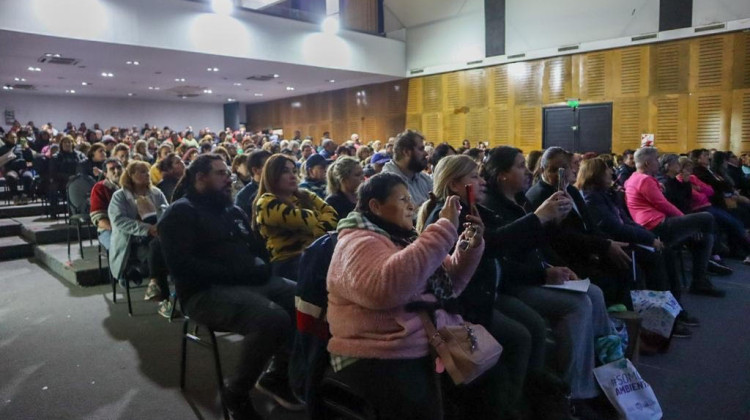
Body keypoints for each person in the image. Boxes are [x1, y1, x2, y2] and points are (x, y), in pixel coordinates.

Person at [326, 173, 485, 420]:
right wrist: (443, 228)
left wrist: (468, 245)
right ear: (375, 206)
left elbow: (450, 284)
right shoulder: (357, 241)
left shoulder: (402, 238)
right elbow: (385, 289)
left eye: (410, 198)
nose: (412, 205)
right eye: (402, 199)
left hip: (427, 339)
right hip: (381, 349)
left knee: (475, 387)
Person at [159, 154, 301, 419]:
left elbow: (259, 248)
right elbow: (182, 268)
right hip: (204, 293)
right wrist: (240, 273)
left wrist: (263, 267)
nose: (229, 178)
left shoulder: (231, 210)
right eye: (221, 173)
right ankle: (236, 393)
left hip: (247, 283)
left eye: (228, 173)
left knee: (305, 299)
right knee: (271, 318)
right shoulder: (181, 212)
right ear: (200, 177)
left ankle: (277, 375)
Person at [481, 147, 616, 419]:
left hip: (535, 275)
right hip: (514, 285)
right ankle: (573, 392)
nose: (528, 172)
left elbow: (539, 246)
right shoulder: (490, 208)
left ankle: (606, 372)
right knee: (578, 305)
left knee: (596, 293)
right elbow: (501, 260)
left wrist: (556, 266)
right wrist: (543, 274)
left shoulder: (519, 200)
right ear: (503, 175)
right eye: (520, 166)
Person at [419, 155, 551, 418]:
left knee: (533, 326)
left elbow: (501, 240)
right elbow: (493, 244)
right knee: (521, 336)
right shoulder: (448, 217)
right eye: (475, 177)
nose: (482, 182)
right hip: (469, 304)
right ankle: (513, 405)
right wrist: (537, 218)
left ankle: (532, 397)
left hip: (489, 292)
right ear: (456, 184)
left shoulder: (472, 209)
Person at [578, 157, 698, 334]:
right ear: (596, 175)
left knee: (667, 252)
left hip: (628, 238)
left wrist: (650, 237)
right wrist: (649, 240)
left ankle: (673, 309)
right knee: (656, 256)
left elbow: (626, 221)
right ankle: (660, 318)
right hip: (616, 244)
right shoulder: (592, 199)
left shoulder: (606, 194)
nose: (611, 173)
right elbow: (616, 228)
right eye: (606, 171)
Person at [526, 147, 632, 307]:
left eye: (564, 168)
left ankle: (627, 320)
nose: (557, 174)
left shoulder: (572, 191)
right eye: (553, 169)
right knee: (607, 279)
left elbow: (589, 224)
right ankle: (612, 319)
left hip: (586, 249)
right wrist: (603, 246)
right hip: (565, 257)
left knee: (626, 263)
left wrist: (607, 244)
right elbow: (560, 237)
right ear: (543, 169)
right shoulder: (539, 195)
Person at [624, 147, 725, 297]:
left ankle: (700, 279)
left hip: (649, 224)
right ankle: (700, 280)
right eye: (656, 159)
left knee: (700, 238)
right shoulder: (645, 180)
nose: (659, 162)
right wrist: (683, 219)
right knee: (707, 218)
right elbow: (663, 204)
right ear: (647, 163)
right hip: (656, 225)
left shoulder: (634, 177)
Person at [253, 154, 337, 280]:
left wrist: (313, 229)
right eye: (285, 172)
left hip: (315, 253)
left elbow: (333, 215)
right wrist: (317, 220)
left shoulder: (305, 194)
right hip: (288, 262)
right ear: (272, 176)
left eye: (294, 171)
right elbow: (305, 220)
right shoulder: (266, 202)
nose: (293, 176)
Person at [108, 160, 172, 316]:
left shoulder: (156, 193)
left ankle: (155, 284)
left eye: (147, 171)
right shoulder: (120, 196)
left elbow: (168, 212)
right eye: (142, 171)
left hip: (157, 237)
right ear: (131, 175)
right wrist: (147, 229)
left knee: (161, 248)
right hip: (132, 242)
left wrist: (160, 226)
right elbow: (118, 221)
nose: (147, 174)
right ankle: (166, 299)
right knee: (162, 252)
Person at [381, 130, 433, 208]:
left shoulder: (423, 178)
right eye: (421, 149)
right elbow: (407, 215)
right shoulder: (387, 182)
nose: (425, 153)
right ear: (406, 152)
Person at [89, 158, 122, 250]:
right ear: (105, 174)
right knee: (118, 247)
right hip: (109, 229)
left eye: (119, 167)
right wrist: (119, 230)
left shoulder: (129, 186)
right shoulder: (100, 188)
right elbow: (100, 219)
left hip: (130, 227)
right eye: (112, 169)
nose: (117, 171)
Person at [0, 132, 34, 204]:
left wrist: (27, 149)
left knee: (28, 176)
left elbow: (30, 159)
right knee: (10, 177)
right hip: (11, 169)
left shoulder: (21, 146)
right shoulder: (2, 149)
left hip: (23, 168)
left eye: (15, 137)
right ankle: (15, 196)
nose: (14, 139)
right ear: (7, 138)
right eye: (12, 137)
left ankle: (25, 195)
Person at [235, 150, 271, 217]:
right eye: (269, 166)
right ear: (255, 170)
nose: (274, 169)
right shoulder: (244, 197)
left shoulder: (282, 187)